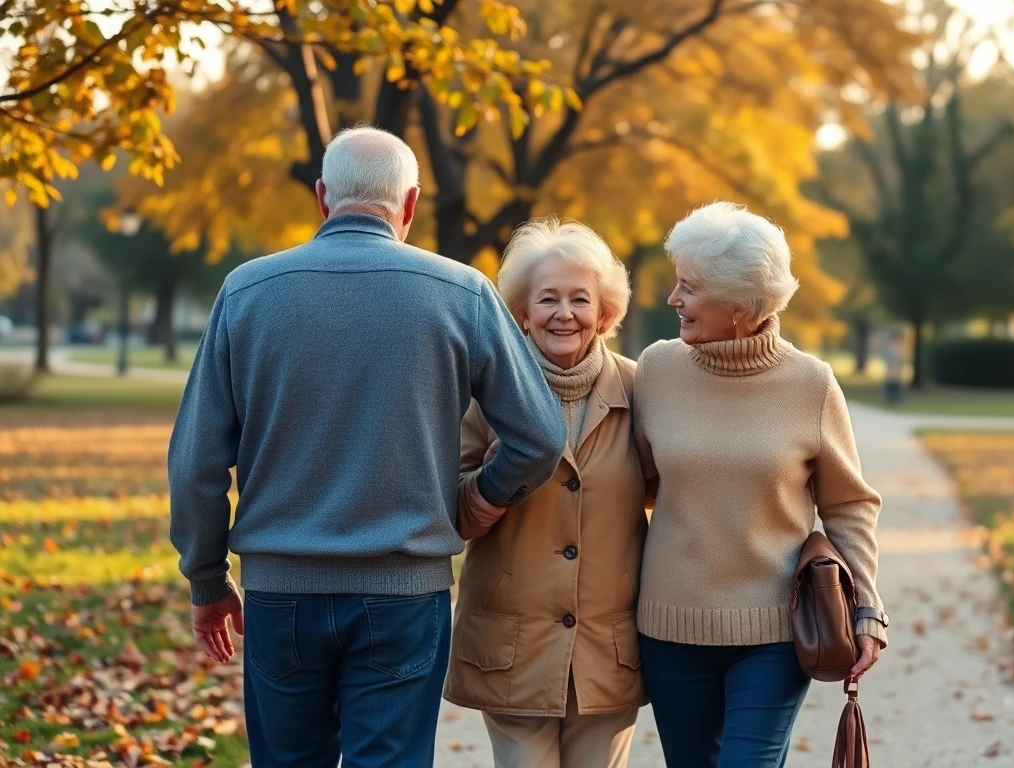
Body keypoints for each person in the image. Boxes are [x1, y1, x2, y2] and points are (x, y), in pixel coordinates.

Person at [167, 126, 566, 767]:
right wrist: (481, 499)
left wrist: (207, 577)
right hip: (404, 591)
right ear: (409, 203)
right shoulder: (461, 293)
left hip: (281, 592)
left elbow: (195, 463)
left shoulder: (246, 292)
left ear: (323, 196)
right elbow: (540, 436)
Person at [633, 202, 888, 768]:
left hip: (775, 631)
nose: (673, 299)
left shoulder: (811, 384)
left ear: (740, 307)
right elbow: (635, 481)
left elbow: (849, 504)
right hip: (670, 628)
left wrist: (867, 609)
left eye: (689, 287)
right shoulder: (656, 370)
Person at [445, 218, 649, 768]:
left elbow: (670, 488)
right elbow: (453, 515)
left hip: (607, 649)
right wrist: (490, 484)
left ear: (604, 312)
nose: (564, 313)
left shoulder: (641, 389)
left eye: (580, 299)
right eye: (547, 299)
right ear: (521, 312)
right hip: (512, 646)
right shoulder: (483, 394)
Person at [882, 329, 904, 402]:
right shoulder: (890, 350)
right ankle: (890, 398)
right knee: (890, 385)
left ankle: (895, 399)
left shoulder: (897, 350)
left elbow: (899, 361)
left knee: (895, 385)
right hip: (891, 371)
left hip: (896, 371)